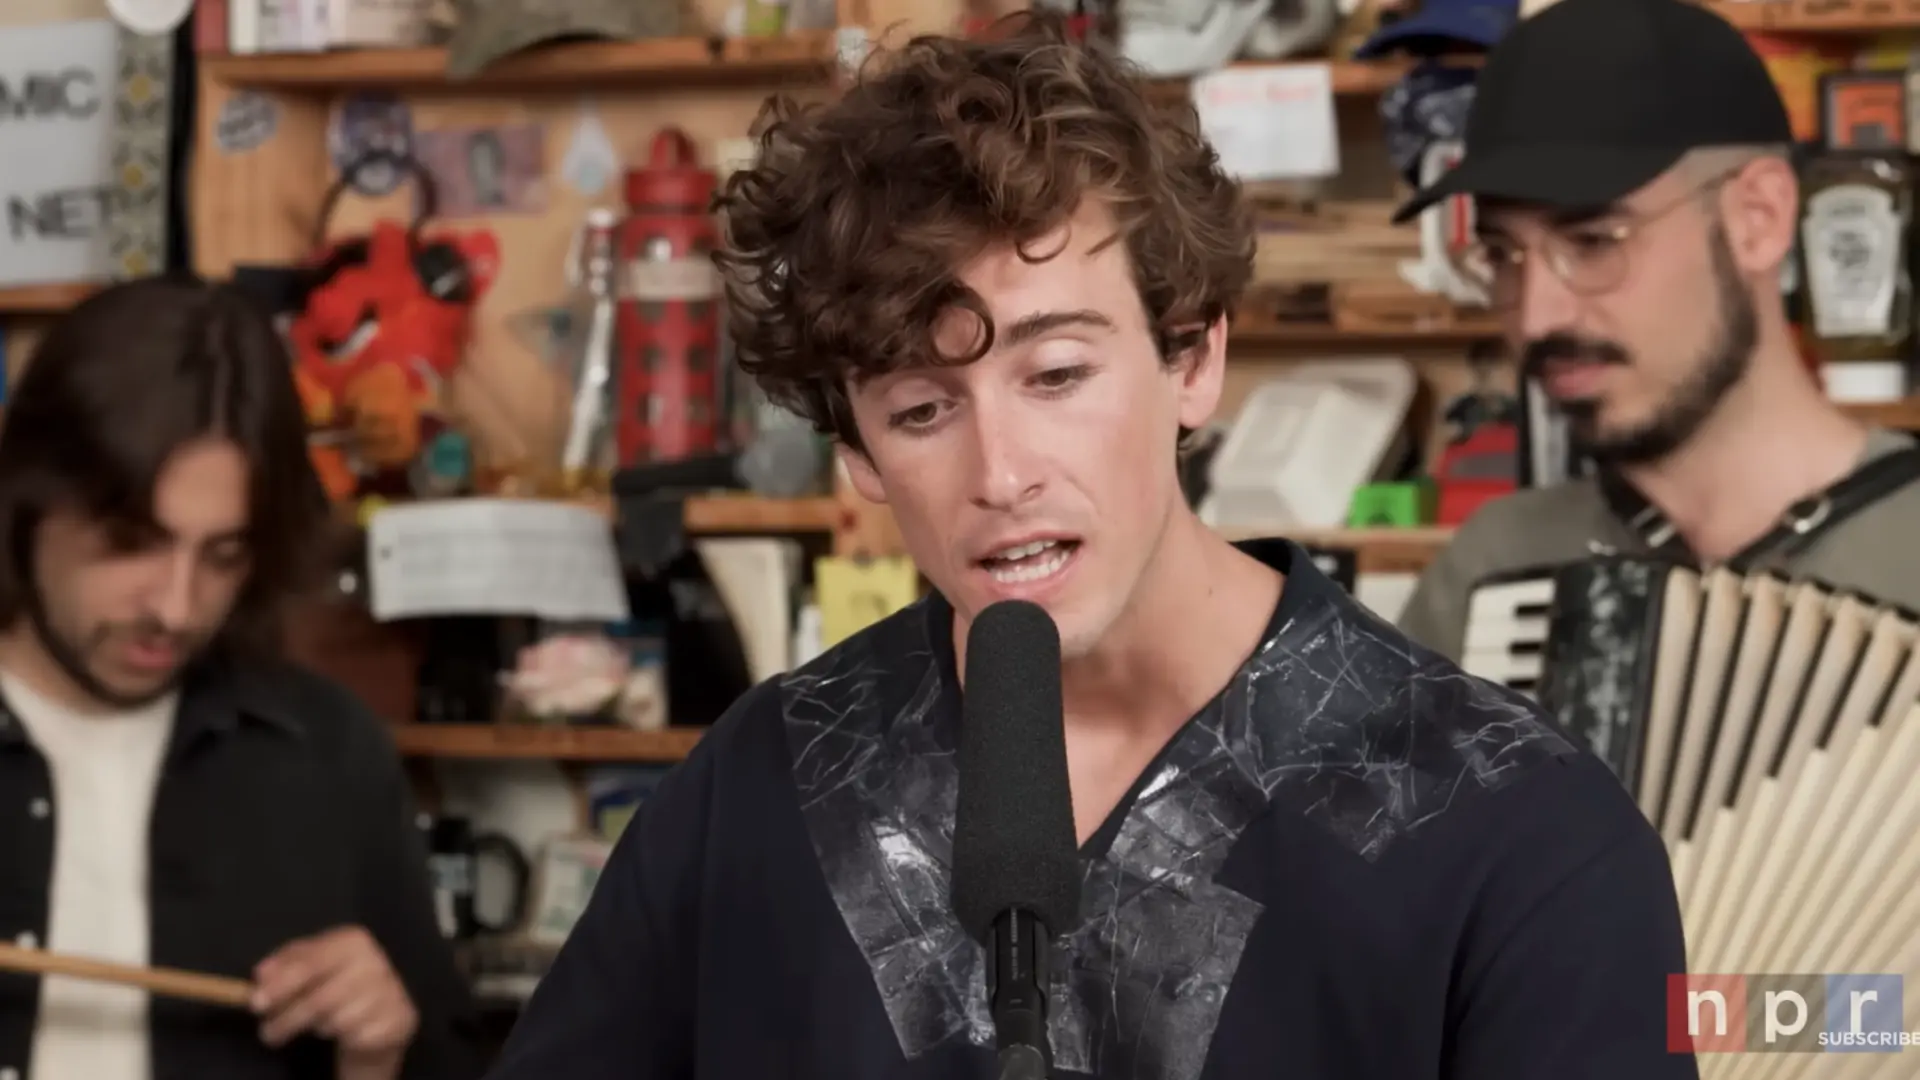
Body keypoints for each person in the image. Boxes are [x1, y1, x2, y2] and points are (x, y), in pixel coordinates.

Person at [486, 14, 1693, 1080]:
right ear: (857, 452)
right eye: (922, 409)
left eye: (1057, 373)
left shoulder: (1517, 834)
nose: (1001, 474)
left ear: (1192, 359)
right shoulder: (763, 789)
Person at [0, 278, 481, 1080]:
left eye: (223, 556)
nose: (176, 608)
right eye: (131, 543)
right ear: (29, 501)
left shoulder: (327, 753)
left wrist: (377, 1055)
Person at [1394, 0, 1920, 661]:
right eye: (1503, 255)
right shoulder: (1492, 567)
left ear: (1758, 218)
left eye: (1592, 241)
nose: (1536, 317)